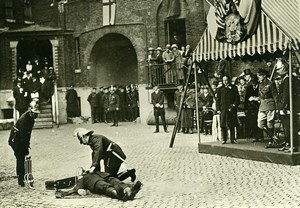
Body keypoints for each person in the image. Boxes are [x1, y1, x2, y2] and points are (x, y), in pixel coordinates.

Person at [8, 101, 40, 187]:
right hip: (16, 140)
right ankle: (20, 179)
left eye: (36, 113)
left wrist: (27, 144)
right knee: (20, 158)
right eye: (34, 113)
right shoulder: (23, 120)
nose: (36, 115)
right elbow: (22, 136)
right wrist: (25, 147)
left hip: (22, 139)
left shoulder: (31, 119)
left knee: (24, 157)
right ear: (30, 111)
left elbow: (28, 134)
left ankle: (25, 176)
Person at [55, 171, 142, 201]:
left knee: (116, 181)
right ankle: (117, 194)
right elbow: (77, 187)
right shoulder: (82, 179)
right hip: (95, 183)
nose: (85, 171)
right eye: (83, 172)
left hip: (106, 176)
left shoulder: (96, 171)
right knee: (105, 186)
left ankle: (129, 191)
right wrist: (79, 190)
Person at [277, 64, 300, 152]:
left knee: (290, 126)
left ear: (284, 69)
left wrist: (283, 106)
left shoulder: (288, 79)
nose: (278, 71)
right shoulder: (286, 79)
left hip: (288, 106)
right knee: (286, 126)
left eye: (279, 69)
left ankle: (292, 145)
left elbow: (286, 94)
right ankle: (288, 144)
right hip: (287, 106)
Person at [256, 68, 279, 148]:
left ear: (264, 76)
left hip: (270, 105)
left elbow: (275, 95)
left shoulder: (271, 84)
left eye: (259, 75)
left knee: (270, 123)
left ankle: (271, 141)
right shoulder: (260, 84)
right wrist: (257, 99)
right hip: (262, 105)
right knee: (260, 124)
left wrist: (277, 108)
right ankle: (273, 136)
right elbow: (260, 95)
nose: (258, 77)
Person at [216, 75, 240, 144]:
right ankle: (224, 139)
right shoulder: (220, 89)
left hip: (231, 108)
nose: (225, 82)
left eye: (226, 80)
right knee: (223, 124)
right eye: (224, 80)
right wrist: (218, 109)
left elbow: (237, 99)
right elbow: (218, 100)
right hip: (223, 108)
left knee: (231, 124)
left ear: (228, 80)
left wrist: (234, 105)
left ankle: (233, 139)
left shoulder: (234, 88)